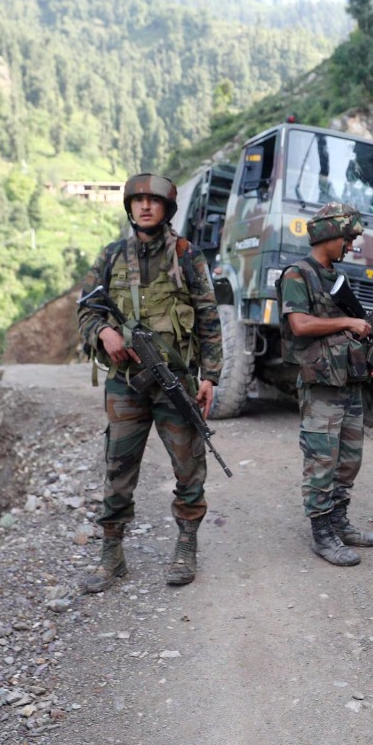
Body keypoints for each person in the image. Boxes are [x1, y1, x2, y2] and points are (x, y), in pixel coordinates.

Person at [75, 172, 221, 590]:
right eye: (137, 200)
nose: (144, 206)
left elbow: (209, 318)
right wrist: (103, 332)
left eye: (153, 201)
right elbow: (86, 310)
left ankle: (186, 547)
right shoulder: (111, 256)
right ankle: (111, 555)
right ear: (129, 207)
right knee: (117, 469)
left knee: (188, 466)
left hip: (175, 380)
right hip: (125, 384)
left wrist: (210, 376)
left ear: (166, 208)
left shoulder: (186, 255)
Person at [277, 204, 373, 566]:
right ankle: (322, 533)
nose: (351, 245)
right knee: (321, 460)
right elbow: (299, 325)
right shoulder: (298, 274)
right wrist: (348, 322)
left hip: (349, 383)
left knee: (349, 460)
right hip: (321, 384)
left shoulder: (336, 278)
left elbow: (349, 336)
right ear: (329, 235)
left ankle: (340, 522)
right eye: (349, 238)